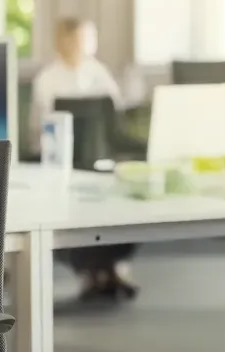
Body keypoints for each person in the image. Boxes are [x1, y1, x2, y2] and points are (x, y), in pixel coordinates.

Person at [30, 18, 137, 302]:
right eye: (77, 39)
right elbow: (40, 129)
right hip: (61, 159)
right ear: (61, 41)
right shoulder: (47, 79)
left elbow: (115, 118)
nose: (82, 46)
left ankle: (112, 266)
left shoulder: (98, 73)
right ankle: (89, 270)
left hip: (98, 157)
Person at [29, 18, 123, 154]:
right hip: (57, 150)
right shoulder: (46, 78)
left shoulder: (99, 71)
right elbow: (41, 124)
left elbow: (115, 107)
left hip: (97, 147)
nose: (74, 45)